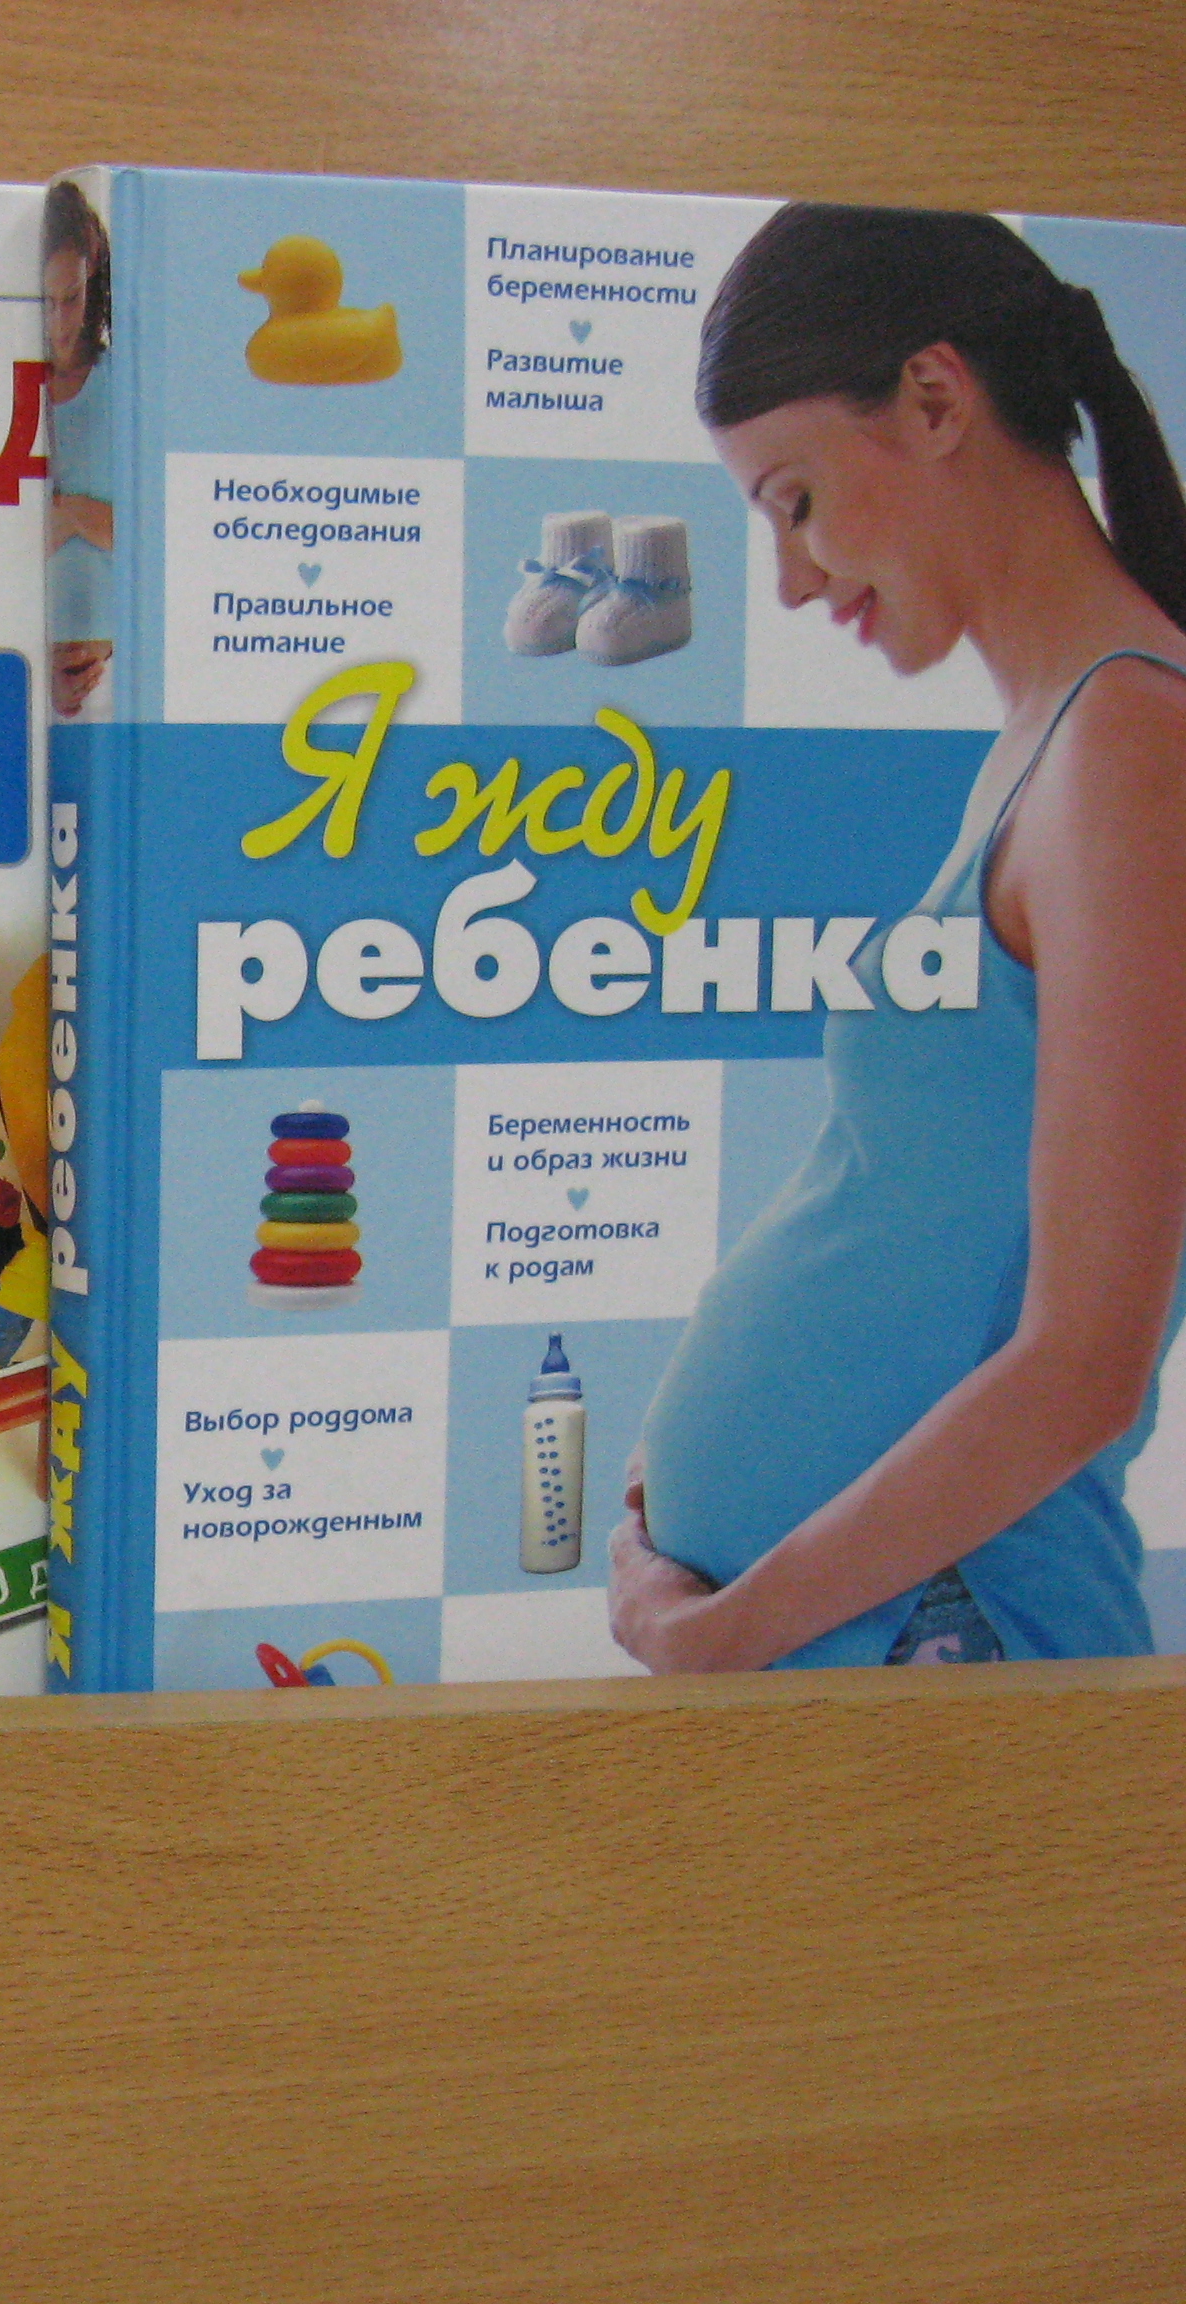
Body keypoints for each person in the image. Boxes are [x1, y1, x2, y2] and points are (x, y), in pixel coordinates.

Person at [611, 202, 1186, 1672]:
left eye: (795, 501)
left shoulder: (1134, 747)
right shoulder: (1056, 737)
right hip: (890, 1636)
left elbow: (1083, 1367)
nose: (793, 580)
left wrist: (726, 1629)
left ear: (935, 398)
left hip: (957, 1631)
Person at [41, 178, 117, 721]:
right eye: (46, 303)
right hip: (22, 655)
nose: (60, 325)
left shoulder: (122, 386)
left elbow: (156, 540)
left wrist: (66, 515)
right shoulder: (6, 388)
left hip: (114, 658)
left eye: (72, 299)